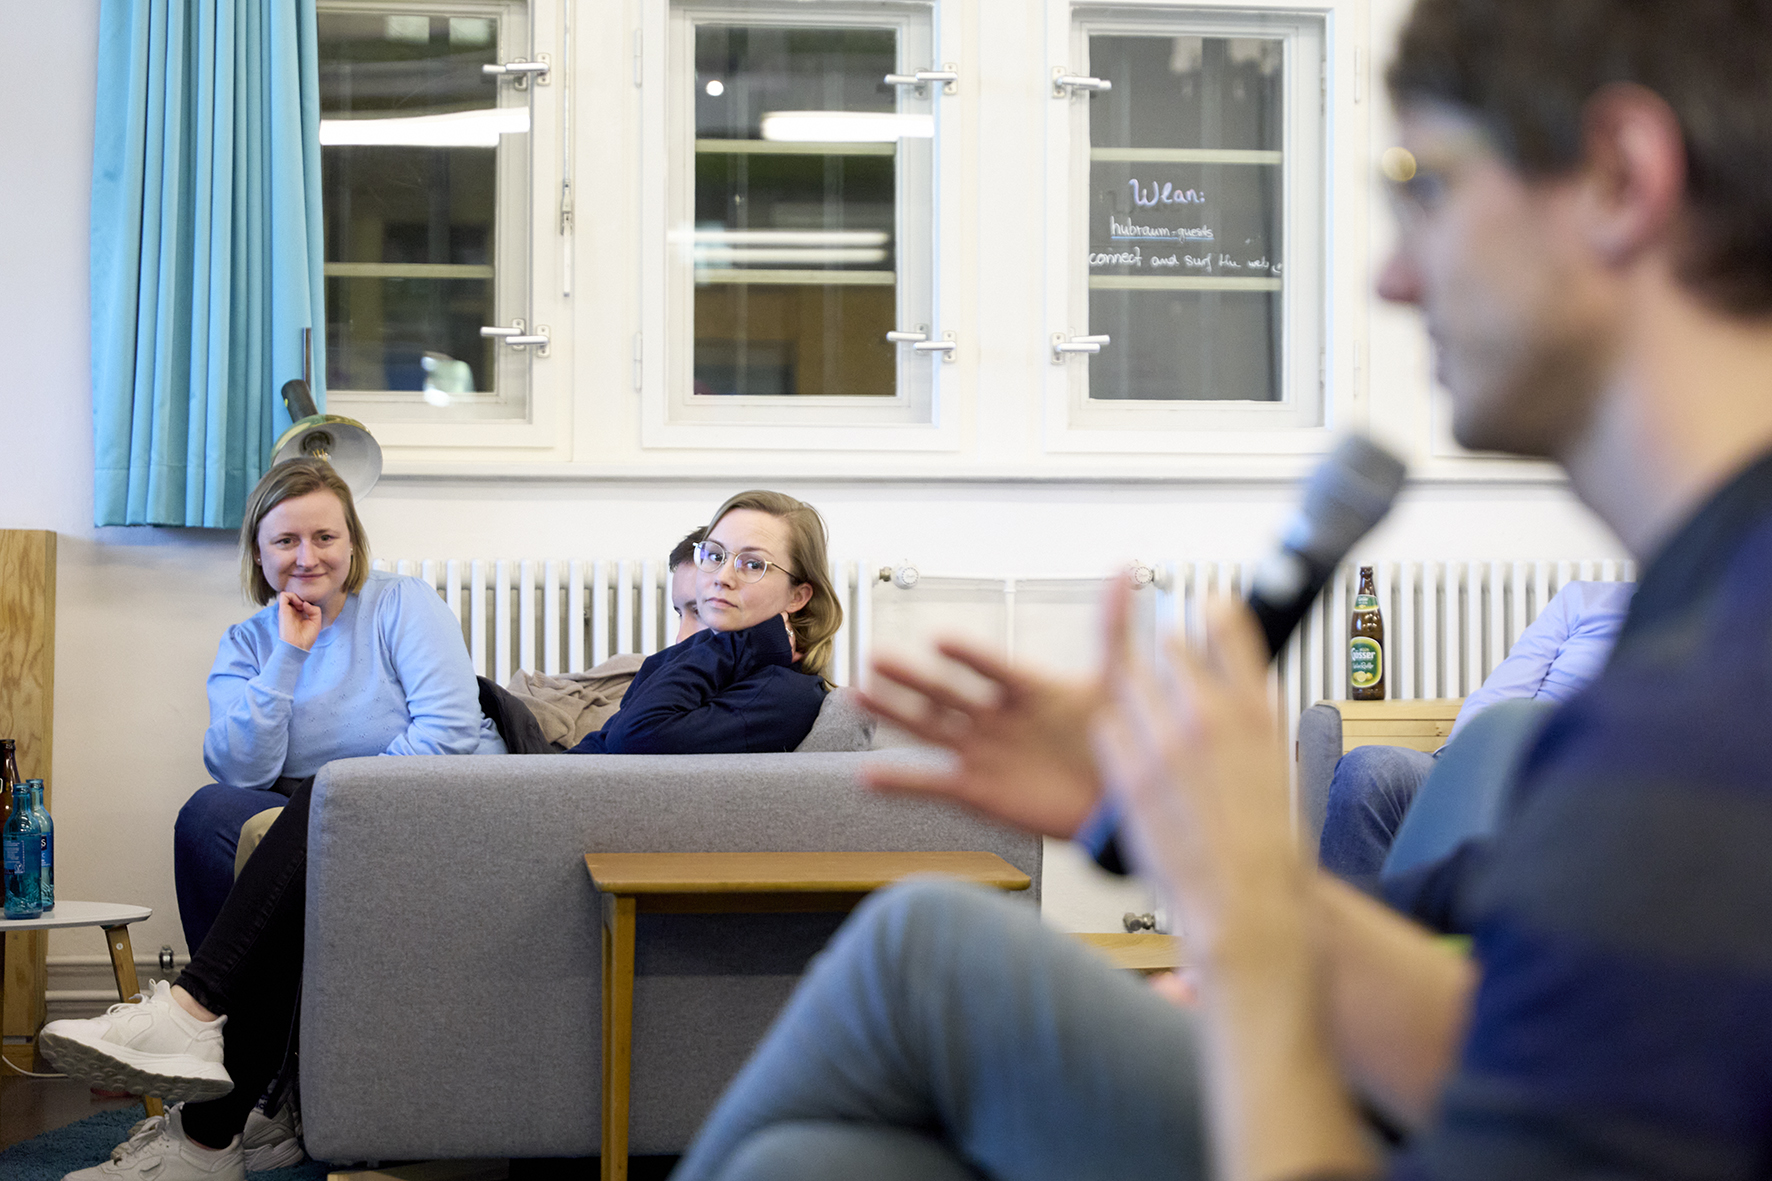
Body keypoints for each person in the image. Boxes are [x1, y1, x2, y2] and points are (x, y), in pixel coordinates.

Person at [671, 2, 1772, 1178]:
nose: (1393, 276)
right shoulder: (1699, 614)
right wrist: (1163, 823)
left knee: (915, 952)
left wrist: (1242, 919)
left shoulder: (1710, 708)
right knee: (816, 1152)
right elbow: (1534, 1030)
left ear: (1616, 177)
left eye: (1425, 187)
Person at [171, 460, 504, 955]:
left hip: (426, 791)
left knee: (291, 824)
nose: (307, 558)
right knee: (206, 815)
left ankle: (208, 995)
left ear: (352, 544)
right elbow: (240, 774)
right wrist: (288, 655)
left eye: (324, 537)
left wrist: (337, 799)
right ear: (259, 553)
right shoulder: (245, 643)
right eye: (286, 541)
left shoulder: (402, 602)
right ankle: (231, 1004)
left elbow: (448, 732)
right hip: (312, 803)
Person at [1319, 578, 1633, 885]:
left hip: (1553, 786)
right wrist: (1459, 762)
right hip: (1471, 760)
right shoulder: (1583, 598)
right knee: (1368, 770)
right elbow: (1507, 686)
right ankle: (1347, 920)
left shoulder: (1659, 629)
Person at [568, 489, 839, 754]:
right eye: (715, 555)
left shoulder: (786, 694)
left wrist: (739, 645)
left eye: (753, 564)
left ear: (797, 596)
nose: (722, 577)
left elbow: (634, 735)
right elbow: (599, 744)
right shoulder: (693, 657)